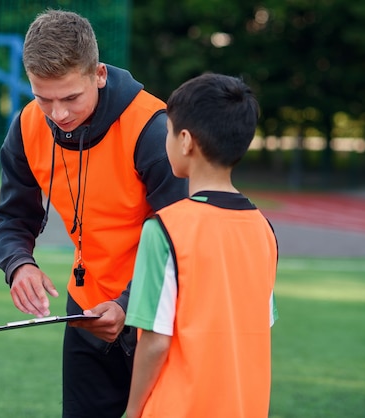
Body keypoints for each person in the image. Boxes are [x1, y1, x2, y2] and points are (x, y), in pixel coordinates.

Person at [0, 9, 188, 418]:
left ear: (98, 74)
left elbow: (186, 238)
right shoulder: (27, 126)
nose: (58, 114)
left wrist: (130, 305)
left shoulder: (153, 129)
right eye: (43, 97)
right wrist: (19, 264)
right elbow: (12, 220)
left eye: (70, 98)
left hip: (157, 318)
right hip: (85, 313)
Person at [124, 73, 279, 418]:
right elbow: (258, 328)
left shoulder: (164, 228)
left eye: (166, 132)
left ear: (185, 141)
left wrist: (133, 409)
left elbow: (155, 339)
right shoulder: (264, 230)